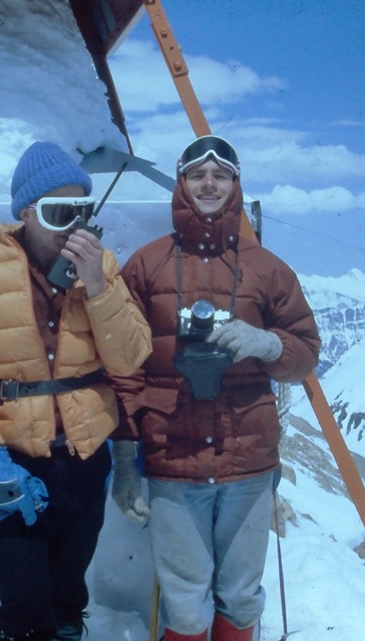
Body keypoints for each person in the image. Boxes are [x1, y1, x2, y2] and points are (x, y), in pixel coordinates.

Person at [0, 141, 152, 641]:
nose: (73, 225)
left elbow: (131, 357)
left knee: (68, 594)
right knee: (24, 601)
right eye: (58, 212)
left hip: (84, 457)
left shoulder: (102, 270)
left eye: (81, 211)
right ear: (27, 214)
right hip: (13, 460)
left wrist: (98, 287)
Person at [109, 135, 321, 641]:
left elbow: (307, 351)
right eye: (198, 175)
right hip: (172, 460)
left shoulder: (266, 269)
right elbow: (122, 368)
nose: (209, 184)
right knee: (184, 603)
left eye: (220, 176)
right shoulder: (145, 265)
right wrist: (123, 458)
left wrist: (267, 344)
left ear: (235, 185)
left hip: (247, 461)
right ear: (181, 183)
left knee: (242, 596)